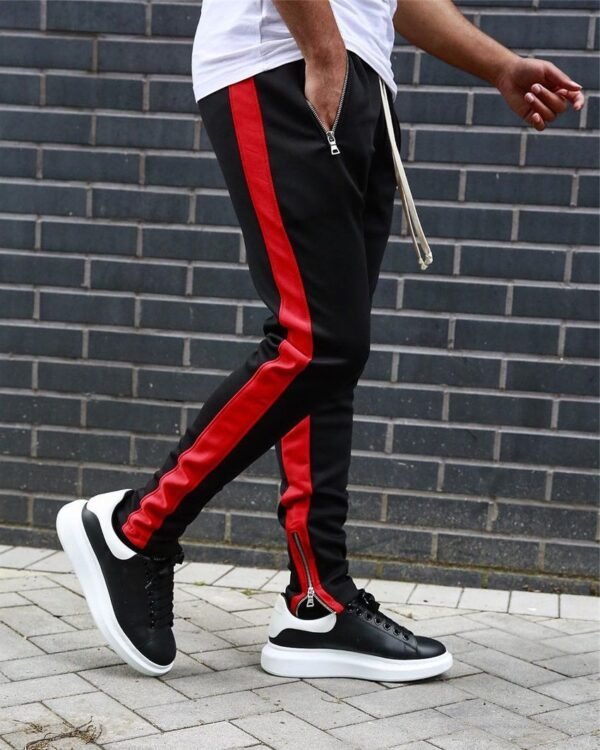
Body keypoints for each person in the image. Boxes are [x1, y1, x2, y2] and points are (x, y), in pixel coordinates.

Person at [56, 0, 584, 681]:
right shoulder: (308, 56)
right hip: (281, 59)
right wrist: (325, 52)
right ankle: (134, 530)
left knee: (331, 356)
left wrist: (501, 66)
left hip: (358, 78)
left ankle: (318, 602)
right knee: (317, 341)